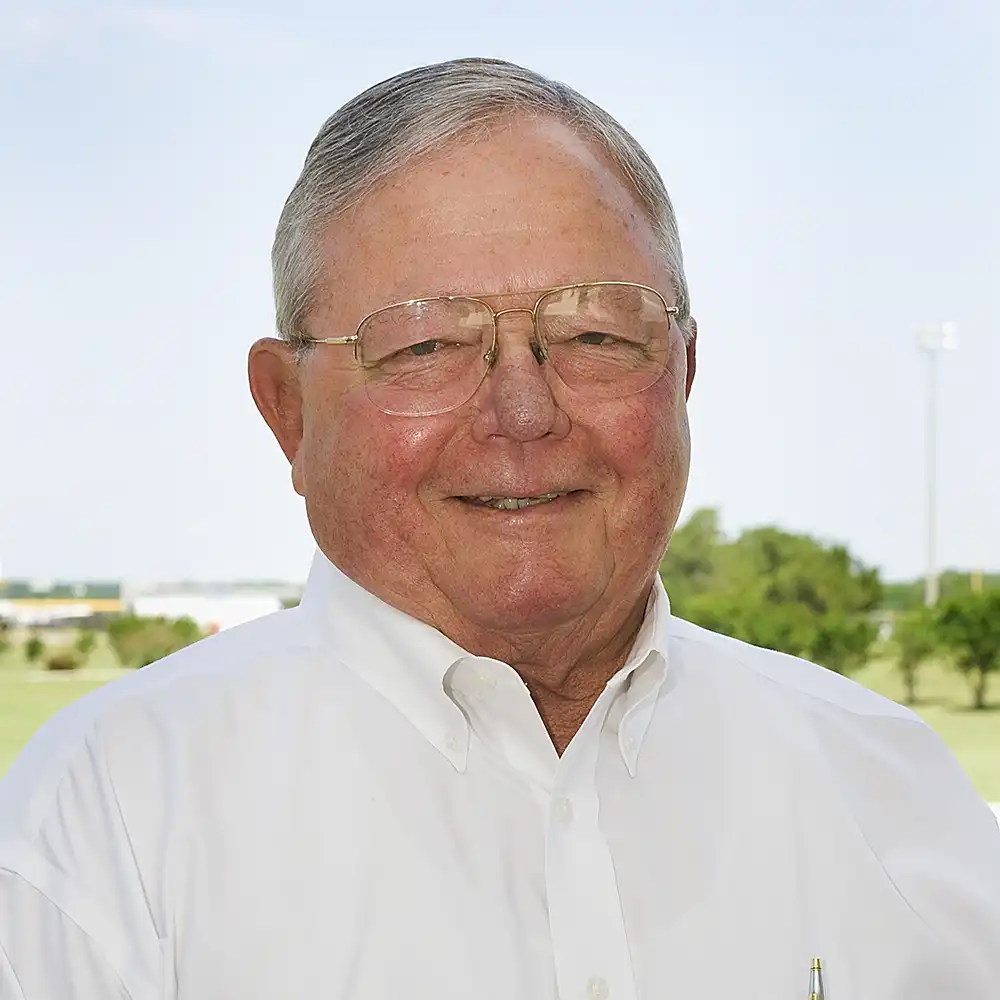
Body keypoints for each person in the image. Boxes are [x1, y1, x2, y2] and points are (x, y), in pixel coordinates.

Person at [1, 58, 998, 1000]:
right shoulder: (108, 820)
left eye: (596, 334)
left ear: (685, 371)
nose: (523, 411)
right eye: (425, 344)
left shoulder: (892, 790)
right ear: (287, 410)